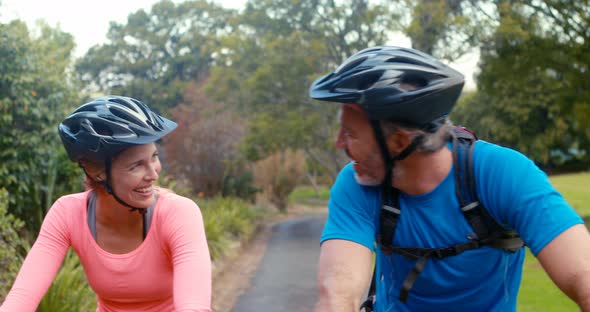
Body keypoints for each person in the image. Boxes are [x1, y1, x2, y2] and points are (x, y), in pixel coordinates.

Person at [308, 46, 590, 311]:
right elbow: (338, 292)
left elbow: (582, 272)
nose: (338, 143)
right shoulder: (356, 183)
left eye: (350, 133)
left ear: (398, 141)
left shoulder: (503, 174)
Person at [0, 96, 212, 312]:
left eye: (154, 157)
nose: (153, 173)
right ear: (96, 171)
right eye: (137, 165)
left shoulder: (179, 213)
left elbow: (194, 306)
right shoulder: (67, 213)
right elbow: (22, 297)